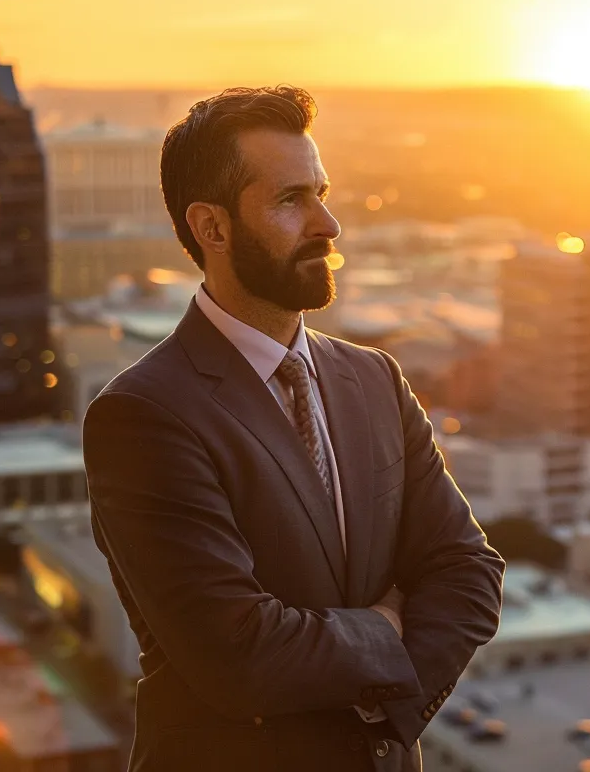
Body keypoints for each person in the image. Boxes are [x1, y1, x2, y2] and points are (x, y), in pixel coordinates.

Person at [82, 85, 505, 772]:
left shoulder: (375, 380)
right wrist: (387, 629)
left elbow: (468, 572)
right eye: (290, 200)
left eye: (322, 191)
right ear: (212, 229)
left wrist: (378, 690)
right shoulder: (143, 415)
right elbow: (238, 654)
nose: (328, 224)